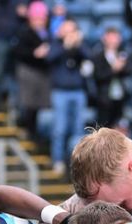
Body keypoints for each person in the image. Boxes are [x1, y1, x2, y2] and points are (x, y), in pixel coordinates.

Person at [47, 17, 89, 173]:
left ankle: (76, 163)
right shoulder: (55, 44)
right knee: (60, 128)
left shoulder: (80, 46)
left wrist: (78, 44)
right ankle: (58, 160)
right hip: (60, 92)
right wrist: (65, 46)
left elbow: (89, 56)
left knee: (78, 130)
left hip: (78, 91)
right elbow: (49, 58)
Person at [13, 2, 53, 144]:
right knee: (30, 103)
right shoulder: (24, 32)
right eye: (36, 18)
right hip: (29, 71)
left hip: (43, 72)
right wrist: (34, 53)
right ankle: (30, 131)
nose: (39, 21)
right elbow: (18, 51)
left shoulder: (47, 34)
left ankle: (39, 133)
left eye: (42, 19)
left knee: (41, 105)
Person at [87, 26, 132, 131]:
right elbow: (98, 76)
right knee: (104, 128)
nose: (113, 41)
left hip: (121, 97)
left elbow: (130, 71)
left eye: (116, 38)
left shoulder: (123, 55)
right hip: (104, 99)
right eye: (111, 37)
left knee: (119, 127)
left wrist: (122, 68)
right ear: (104, 38)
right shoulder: (98, 56)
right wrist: (113, 70)